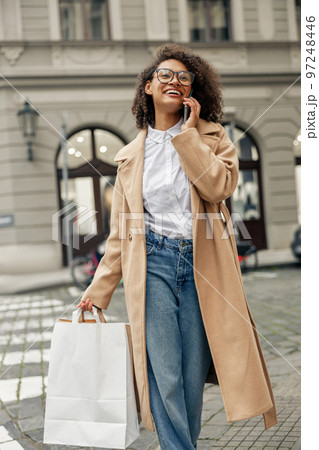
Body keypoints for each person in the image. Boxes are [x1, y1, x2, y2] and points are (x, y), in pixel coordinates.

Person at [77, 43, 277, 449]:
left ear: (193, 91)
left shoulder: (213, 138)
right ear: (148, 87)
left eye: (183, 77)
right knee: (163, 373)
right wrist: (99, 290)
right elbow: (122, 233)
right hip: (152, 263)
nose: (174, 81)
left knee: (189, 376)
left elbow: (218, 187)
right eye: (164, 75)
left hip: (203, 266)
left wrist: (188, 136)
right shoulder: (131, 155)